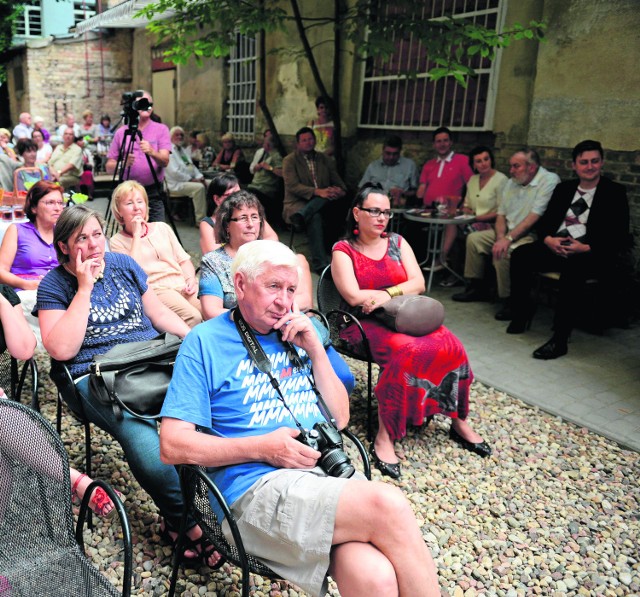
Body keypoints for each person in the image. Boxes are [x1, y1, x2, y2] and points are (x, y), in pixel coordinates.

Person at [159, 239, 441, 597]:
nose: (284, 301)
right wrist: (263, 448)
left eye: (291, 289)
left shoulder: (296, 333)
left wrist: (316, 351)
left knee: (375, 576)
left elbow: (339, 419)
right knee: (389, 505)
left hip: (318, 476)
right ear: (241, 284)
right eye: (273, 287)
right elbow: (171, 446)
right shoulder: (203, 343)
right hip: (251, 492)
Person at [34, 204, 219, 562]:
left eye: (97, 235)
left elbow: (158, 313)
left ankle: (208, 504)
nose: (93, 245)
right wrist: (84, 288)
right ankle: (184, 522)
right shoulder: (54, 285)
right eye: (81, 239)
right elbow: (60, 348)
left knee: (209, 421)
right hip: (95, 376)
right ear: (64, 248)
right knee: (152, 450)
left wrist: (194, 341)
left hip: (152, 359)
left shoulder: (124, 265)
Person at [332, 184, 491, 478]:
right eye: (374, 211)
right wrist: (379, 297)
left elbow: (418, 283)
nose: (382, 218)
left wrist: (386, 294)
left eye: (386, 212)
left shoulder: (397, 242)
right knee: (405, 351)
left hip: (403, 316)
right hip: (360, 323)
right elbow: (354, 297)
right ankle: (385, 434)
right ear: (357, 213)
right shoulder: (344, 250)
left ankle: (457, 419)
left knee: (451, 344)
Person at [0, 282, 119, 519]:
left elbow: (24, 350)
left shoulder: (4, 294)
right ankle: (74, 480)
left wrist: (1, 302)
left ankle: (74, 481)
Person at [508, 140, 630, 359]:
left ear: (601, 163)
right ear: (574, 165)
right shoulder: (564, 189)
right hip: (558, 245)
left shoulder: (614, 192)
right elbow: (545, 223)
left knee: (572, 271)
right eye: (584, 162)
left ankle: (559, 339)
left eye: (595, 161)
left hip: (590, 252)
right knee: (520, 255)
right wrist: (548, 240)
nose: (590, 166)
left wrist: (586, 247)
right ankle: (522, 312)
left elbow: (619, 234)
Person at [452, 147, 560, 320]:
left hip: (529, 234)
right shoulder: (511, 182)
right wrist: (501, 237)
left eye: (516, 166)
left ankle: (510, 300)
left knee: (503, 253)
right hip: (506, 231)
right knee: (474, 239)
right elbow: (501, 213)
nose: (511, 171)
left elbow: (535, 216)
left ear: (531, 167)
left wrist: (507, 240)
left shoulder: (548, 180)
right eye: (511, 166)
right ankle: (476, 287)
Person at [199, 190, 313, 319]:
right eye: (243, 218)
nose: (250, 224)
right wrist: (257, 317)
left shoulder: (275, 254)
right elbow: (210, 312)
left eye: (254, 217)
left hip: (289, 324)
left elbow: (305, 302)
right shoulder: (213, 261)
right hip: (238, 331)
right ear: (227, 225)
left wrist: (270, 312)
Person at [109, 181, 202, 328]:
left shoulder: (163, 228)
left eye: (140, 202)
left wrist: (190, 279)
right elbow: (132, 271)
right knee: (193, 317)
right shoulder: (117, 241)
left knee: (210, 310)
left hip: (182, 284)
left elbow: (184, 260)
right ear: (119, 210)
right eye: (129, 203)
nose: (136, 207)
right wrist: (137, 234)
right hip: (156, 290)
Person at [0, 180, 62, 341]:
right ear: (34, 207)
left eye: (60, 203)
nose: (57, 207)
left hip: (59, 289)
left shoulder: (65, 234)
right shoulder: (17, 230)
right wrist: (28, 284)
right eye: (50, 202)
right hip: (26, 291)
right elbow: (0, 271)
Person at [439, 146, 509, 286]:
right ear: (474, 165)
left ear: (491, 160)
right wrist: (467, 210)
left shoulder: (501, 180)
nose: (483, 163)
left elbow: (503, 211)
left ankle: (442, 261)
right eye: (478, 161)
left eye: (486, 159)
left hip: (492, 223)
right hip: (472, 221)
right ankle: (447, 265)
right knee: (450, 224)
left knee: (456, 233)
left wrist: (477, 217)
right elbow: (467, 205)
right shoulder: (473, 180)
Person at [283, 126, 347, 273]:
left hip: (324, 202)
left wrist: (339, 190)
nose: (308, 142)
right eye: (304, 140)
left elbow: (338, 181)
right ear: (298, 144)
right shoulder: (290, 160)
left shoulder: (324, 159)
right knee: (315, 216)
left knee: (331, 202)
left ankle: (303, 215)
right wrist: (318, 192)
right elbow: (293, 186)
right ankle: (320, 264)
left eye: (311, 139)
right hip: (296, 202)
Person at [106, 91, 172, 222]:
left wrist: (152, 152)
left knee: (157, 231)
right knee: (130, 233)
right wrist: (123, 164)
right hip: (128, 193)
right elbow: (109, 167)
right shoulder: (122, 132)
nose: (146, 106)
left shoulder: (161, 129)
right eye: (141, 102)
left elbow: (165, 162)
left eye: (149, 103)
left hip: (153, 192)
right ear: (133, 106)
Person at [199, 173, 278, 255]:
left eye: (240, 193)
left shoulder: (251, 215)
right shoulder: (208, 224)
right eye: (231, 195)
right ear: (217, 199)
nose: (238, 199)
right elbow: (215, 257)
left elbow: (272, 238)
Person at [416, 126, 473, 208]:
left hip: (450, 211)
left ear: (451, 142)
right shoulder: (428, 164)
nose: (442, 144)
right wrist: (417, 207)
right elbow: (422, 188)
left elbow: (472, 186)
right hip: (428, 210)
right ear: (434, 145)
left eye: (445, 141)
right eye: (438, 141)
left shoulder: (463, 160)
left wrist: (465, 206)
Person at [358, 135, 419, 207]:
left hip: (398, 206)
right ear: (382, 150)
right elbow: (361, 189)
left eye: (395, 154)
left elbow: (416, 192)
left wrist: (403, 193)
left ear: (400, 151)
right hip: (375, 205)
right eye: (388, 153)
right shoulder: (373, 166)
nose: (391, 157)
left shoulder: (409, 165)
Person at [165, 126, 207, 225]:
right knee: (199, 188)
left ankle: (216, 216)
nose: (179, 137)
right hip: (176, 184)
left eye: (181, 135)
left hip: (187, 181)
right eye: (177, 135)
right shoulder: (169, 150)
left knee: (213, 184)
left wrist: (200, 177)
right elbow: (174, 172)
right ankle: (200, 220)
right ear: (170, 137)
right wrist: (191, 179)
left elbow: (191, 167)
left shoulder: (182, 150)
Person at [247, 131, 284, 226]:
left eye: (265, 143)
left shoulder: (277, 156)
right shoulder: (265, 154)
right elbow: (252, 168)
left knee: (248, 197)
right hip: (255, 185)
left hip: (265, 189)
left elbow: (283, 173)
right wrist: (258, 166)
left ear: (268, 145)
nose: (263, 145)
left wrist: (270, 168)